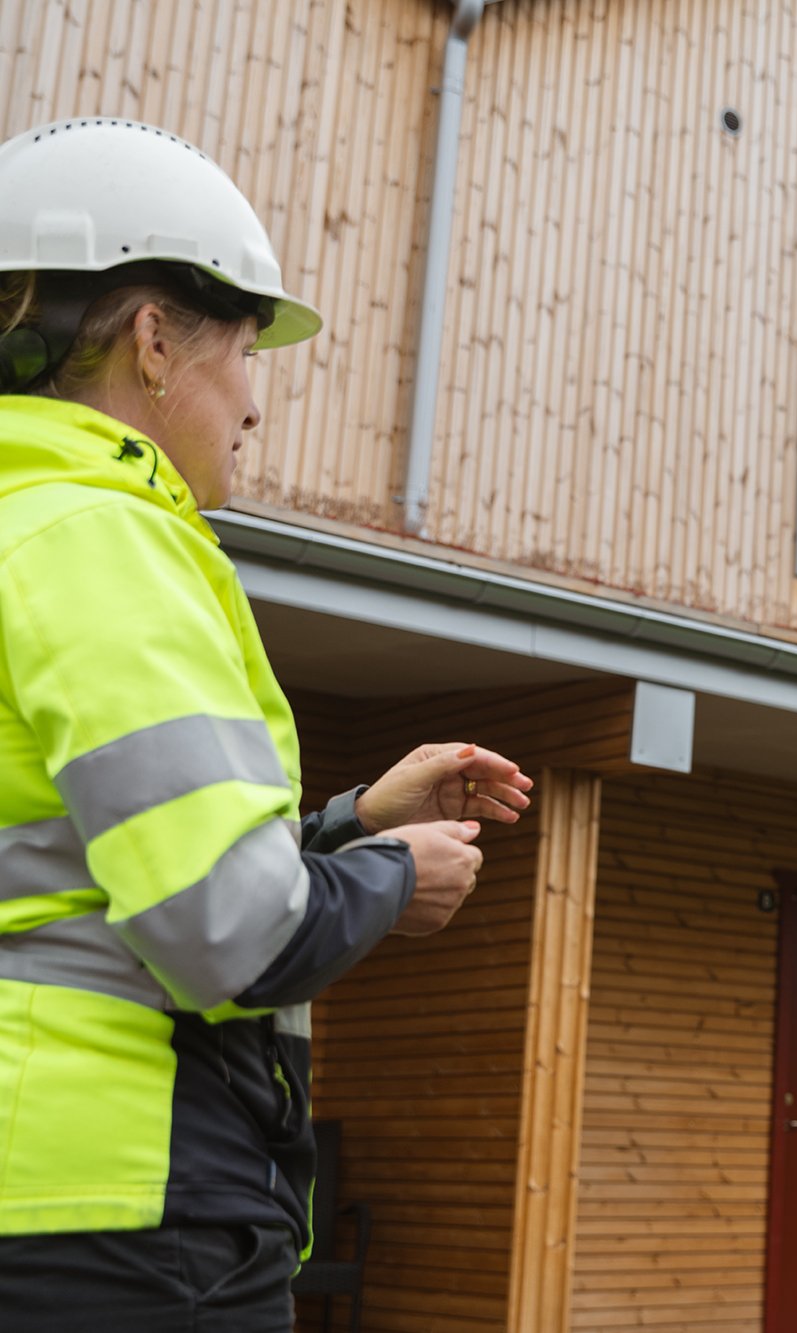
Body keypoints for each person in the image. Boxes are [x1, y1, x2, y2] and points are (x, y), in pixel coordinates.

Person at [0, 117, 533, 1331]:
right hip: (123, 1216)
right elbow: (230, 935)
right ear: (149, 341)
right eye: (246, 349)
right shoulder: (105, 536)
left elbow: (86, 870)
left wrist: (349, 821)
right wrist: (397, 871)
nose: (253, 399)